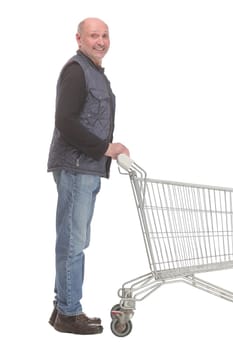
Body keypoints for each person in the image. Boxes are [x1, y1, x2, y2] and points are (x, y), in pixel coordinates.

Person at [47, 17, 129, 335]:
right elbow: (65, 121)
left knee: (75, 239)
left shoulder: (94, 72)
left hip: (87, 167)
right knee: (73, 242)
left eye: (105, 35)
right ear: (79, 38)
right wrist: (105, 148)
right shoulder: (76, 70)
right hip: (76, 166)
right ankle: (69, 312)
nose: (101, 41)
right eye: (94, 35)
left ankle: (61, 308)